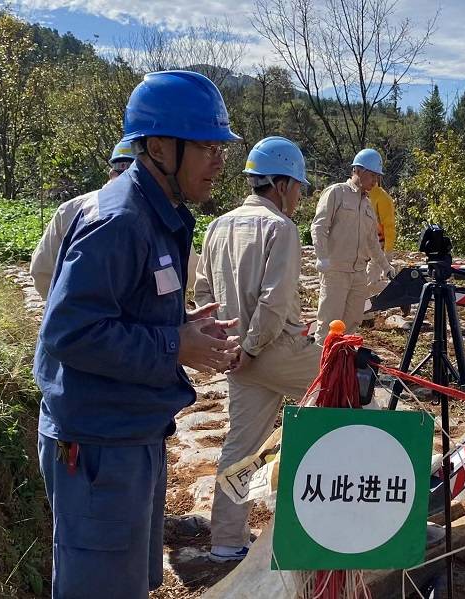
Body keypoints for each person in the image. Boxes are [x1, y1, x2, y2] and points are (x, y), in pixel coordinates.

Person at [34, 70, 242, 598]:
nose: (220, 159)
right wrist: (178, 345)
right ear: (157, 147)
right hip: (98, 445)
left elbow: (125, 312)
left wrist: (183, 328)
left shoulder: (158, 214)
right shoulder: (119, 220)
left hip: (132, 431)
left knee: (129, 583)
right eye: (205, 145)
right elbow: (72, 332)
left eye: (221, 145)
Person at [194, 136, 322, 562]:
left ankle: (227, 540)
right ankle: (362, 513)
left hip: (237, 356)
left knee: (242, 444)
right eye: (299, 187)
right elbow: (275, 299)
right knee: (356, 392)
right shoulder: (280, 228)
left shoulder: (216, 226)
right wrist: (250, 347)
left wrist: (226, 345)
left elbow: (203, 292)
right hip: (273, 349)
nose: (299, 197)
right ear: (281, 184)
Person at [29, 140, 135, 299]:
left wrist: (66, 308)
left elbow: (42, 271)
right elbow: (184, 276)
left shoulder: (69, 209)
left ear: (112, 173)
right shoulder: (163, 215)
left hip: (73, 319)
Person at [311, 148, 393, 343]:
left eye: (377, 176)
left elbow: (373, 242)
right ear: (358, 170)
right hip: (336, 272)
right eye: (372, 175)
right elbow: (319, 226)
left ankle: (343, 369)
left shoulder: (367, 205)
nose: (375, 181)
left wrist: (386, 266)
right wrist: (321, 257)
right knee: (329, 325)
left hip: (358, 274)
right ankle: (321, 369)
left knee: (352, 324)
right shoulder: (336, 193)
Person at [366, 178, 396, 286]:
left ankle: (371, 301)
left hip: (377, 246)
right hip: (362, 245)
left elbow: (389, 226)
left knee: (371, 280)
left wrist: (388, 250)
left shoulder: (383, 198)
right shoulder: (359, 196)